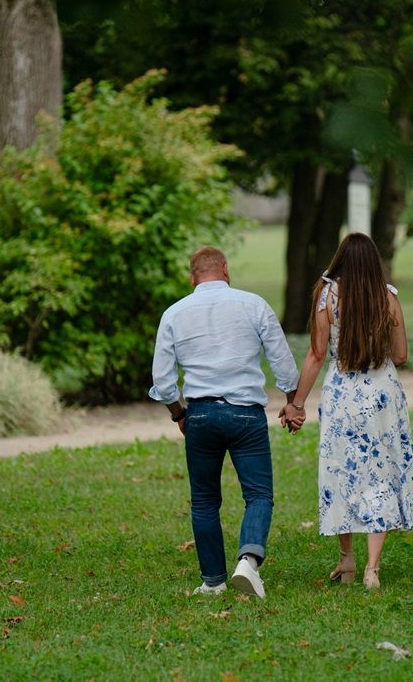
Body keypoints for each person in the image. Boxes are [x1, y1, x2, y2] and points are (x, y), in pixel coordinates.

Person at [149, 246, 299, 599]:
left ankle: (213, 580)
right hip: (246, 414)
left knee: (203, 501)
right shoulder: (254, 305)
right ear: (226, 270)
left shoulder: (174, 313)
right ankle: (248, 560)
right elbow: (283, 362)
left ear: (192, 277)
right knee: (259, 494)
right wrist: (293, 402)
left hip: (200, 414)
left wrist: (179, 414)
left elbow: (163, 380)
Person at [280, 233, 413, 590]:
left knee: (340, 472)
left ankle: (346, 560)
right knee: (380, 474)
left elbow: (315, 355)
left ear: (340, 260)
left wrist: (297, 403)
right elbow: (402, 354)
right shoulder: (387, 297)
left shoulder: (326, 296)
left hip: (342, 393)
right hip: (381, 394)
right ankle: (372, 569)